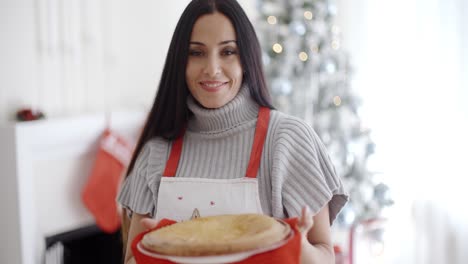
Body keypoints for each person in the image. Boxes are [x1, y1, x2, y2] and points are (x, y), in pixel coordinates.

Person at [118, 0, 348, 263]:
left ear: (246, 58)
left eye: (227, 52)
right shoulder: (157, 151)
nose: (212, 69)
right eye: (196, 53)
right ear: (180, 62)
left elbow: (326, 255)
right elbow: (131, 260)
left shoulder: (286, 140)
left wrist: (296, 245)